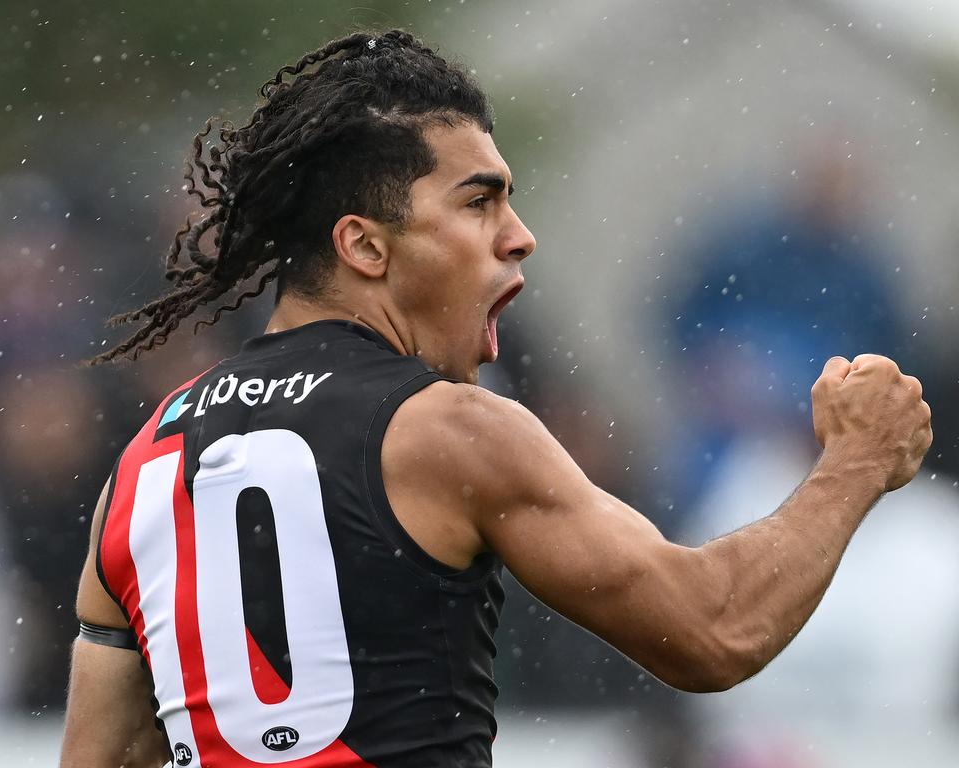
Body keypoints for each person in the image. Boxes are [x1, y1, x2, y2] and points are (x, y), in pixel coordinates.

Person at [58, 30, 933, 768]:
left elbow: (100, 757)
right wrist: (856, 461)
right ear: (364, 245)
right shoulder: (449, 431)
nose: (520, 237)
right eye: (479, 202)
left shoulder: (142, 464)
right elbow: (714, 629)